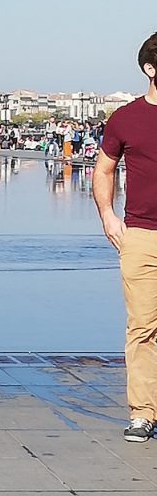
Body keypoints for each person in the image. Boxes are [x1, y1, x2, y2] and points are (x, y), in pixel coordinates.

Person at [93, 32, 157, 442]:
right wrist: (107, 217)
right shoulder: (125, 118)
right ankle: (142, 413)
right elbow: (104, 169)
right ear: (151, 69)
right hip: (142, 237)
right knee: (143, 327)